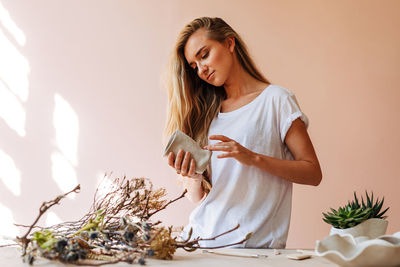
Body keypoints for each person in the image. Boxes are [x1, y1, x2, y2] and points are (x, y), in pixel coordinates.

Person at [164, 17, 322, 248]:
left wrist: (253, 158)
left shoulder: (276, 100)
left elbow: (313, 172)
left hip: (254, 251)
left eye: (204, 55)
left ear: (229, 43)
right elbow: (200, 199)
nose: (201, 69)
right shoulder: (209, 114)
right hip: (202, 243)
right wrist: (193, 177)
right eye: (194, 66)